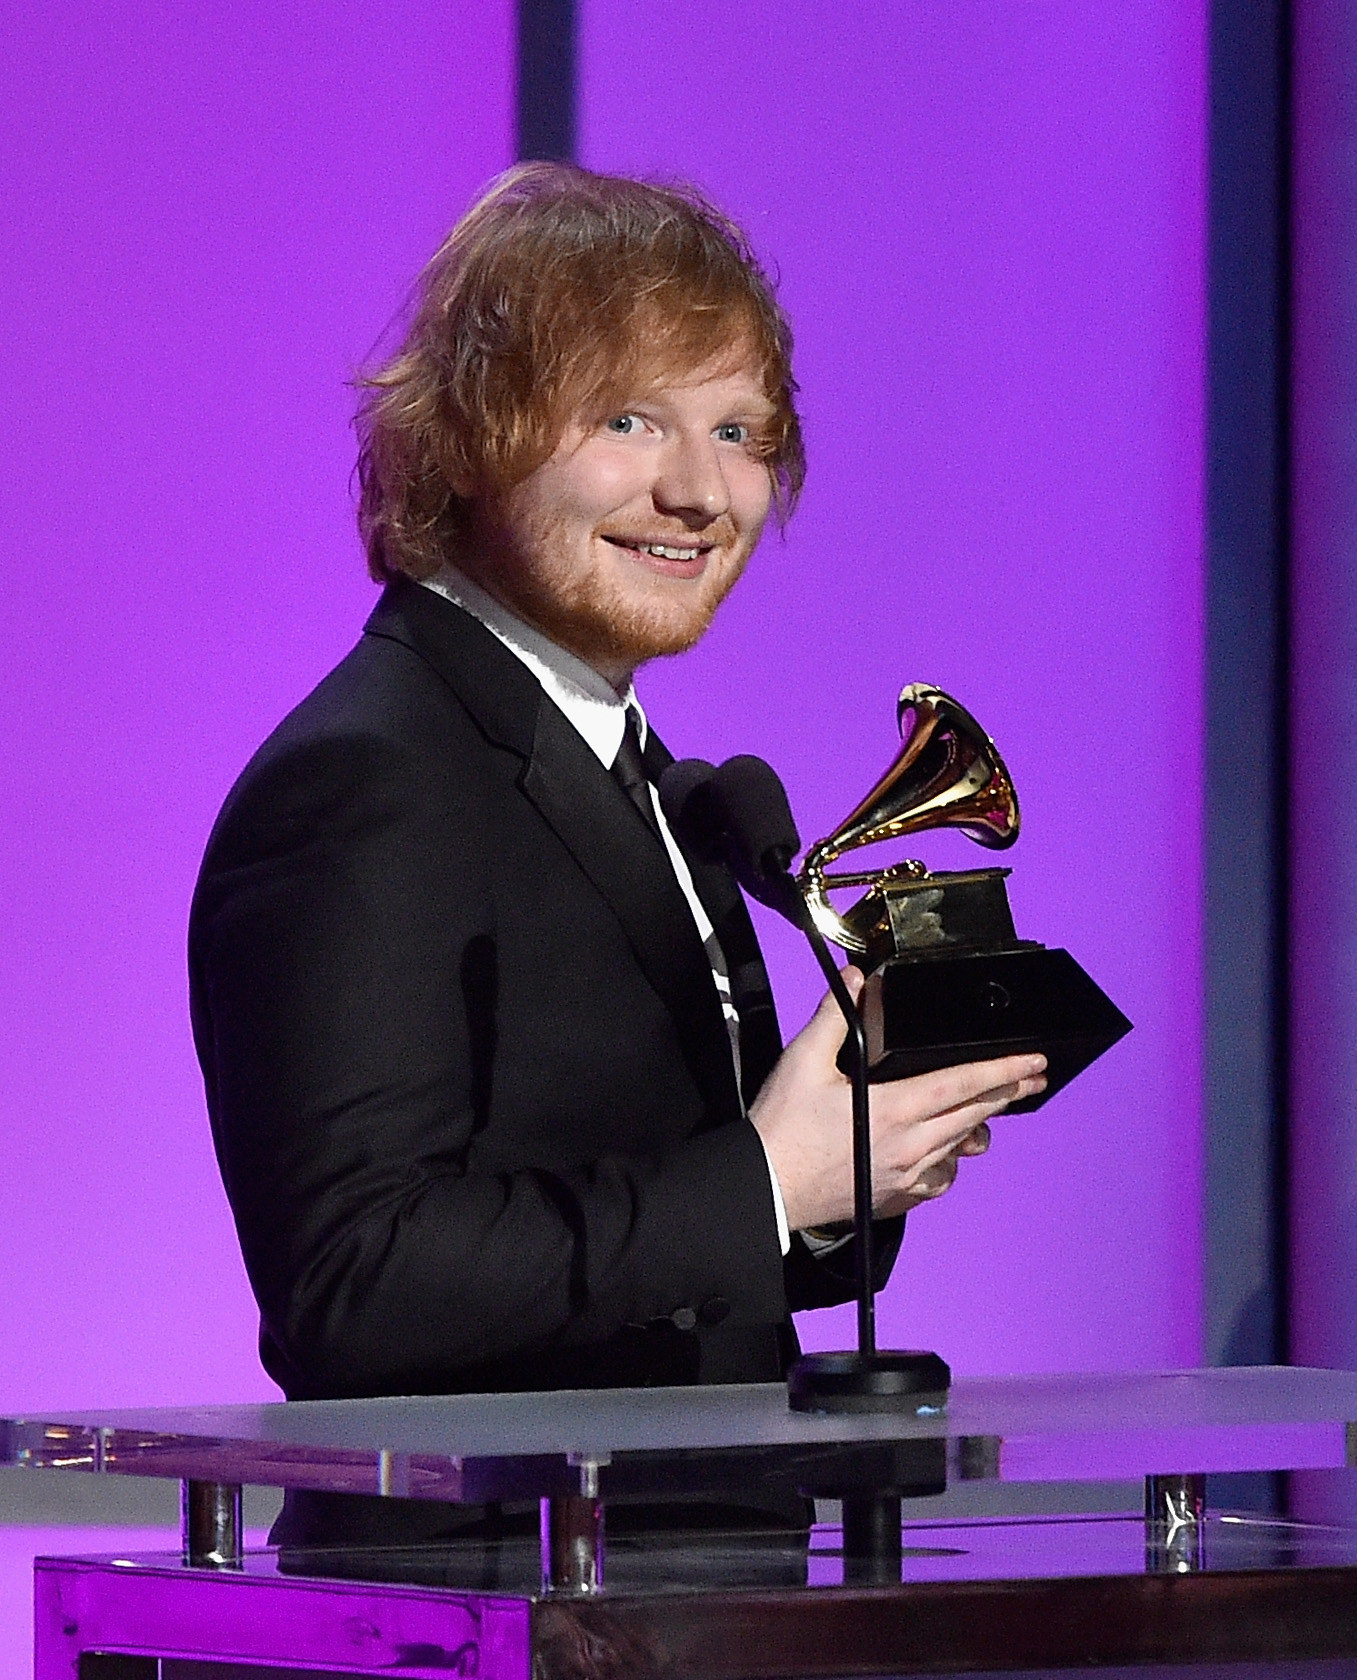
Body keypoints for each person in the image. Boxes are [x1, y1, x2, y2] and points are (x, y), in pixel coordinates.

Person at [188, 164, 1045, 1543]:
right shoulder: (369, 778)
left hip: (684, 1593)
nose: (700, 491)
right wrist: (764, 1181)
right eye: (627, 419)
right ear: (465, 438)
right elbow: (351, 1284)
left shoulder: (645, 774)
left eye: (742, 431)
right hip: (485, 1607)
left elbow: (688, 1231)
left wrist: (843, 1172)